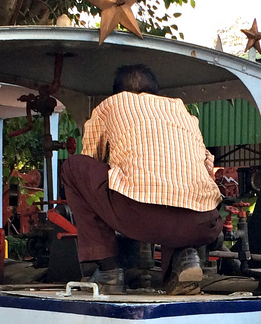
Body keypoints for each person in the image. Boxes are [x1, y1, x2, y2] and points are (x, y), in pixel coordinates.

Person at [61, 64, 224, 295]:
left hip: (138, 217)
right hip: (205, 225)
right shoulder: (182, 111)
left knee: (73, 167)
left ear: (118, 92)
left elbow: (90, 158)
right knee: (179, 185)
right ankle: (186, 258)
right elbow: (207, 169)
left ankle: (108, 271)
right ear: (155, 92)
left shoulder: (111, 105)